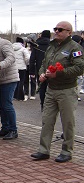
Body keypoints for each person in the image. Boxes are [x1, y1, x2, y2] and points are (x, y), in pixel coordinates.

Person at [31, 21, 84, 163]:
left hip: (66, 90)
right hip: (51, 89)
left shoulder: (74, 47)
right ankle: (44, 150)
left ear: (69, 32)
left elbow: (79, 68)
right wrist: (42, 74)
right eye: (55, 29)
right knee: (47, 120)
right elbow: (44, 64)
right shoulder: (52, 46)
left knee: (67, 122)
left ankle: (67, 151)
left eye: (60, 30)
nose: (57, 31)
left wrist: (59, 74)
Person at [0, 27, 20, 140]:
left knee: (7, 105)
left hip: (9, 79)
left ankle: (13, 129)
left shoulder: (4, 43)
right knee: (1, 105)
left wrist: (0, 65)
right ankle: (5, 127)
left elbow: (11, 58)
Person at [29, 30, 51, 109]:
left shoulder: (36, 45)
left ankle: (43, 104)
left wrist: (32, 71)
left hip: (39, 69)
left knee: (42, 87)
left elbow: (32, 59)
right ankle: (50, 105)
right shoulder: (52, 45)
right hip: (51, 69)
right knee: (50, 88)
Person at [13, 37, 30, 101]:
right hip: (22, 67)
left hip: (14, 67)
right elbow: (28, 58)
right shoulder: (23, 49)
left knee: (15, 81)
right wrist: (26, 63)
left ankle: (14, 95)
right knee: (21, 81)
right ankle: (20, 96)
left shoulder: (12, 48)